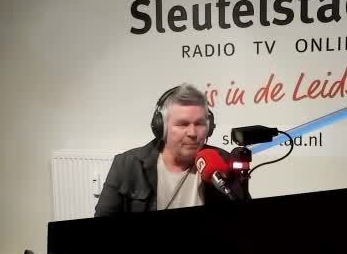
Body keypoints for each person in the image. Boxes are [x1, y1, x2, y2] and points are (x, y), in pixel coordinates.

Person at [94, 83, 250, 216]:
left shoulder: (224, 162)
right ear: (161, 128)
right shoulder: (127, 165)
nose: (192, 133)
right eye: (182, 124)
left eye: (199, 124)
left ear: (209, 128)